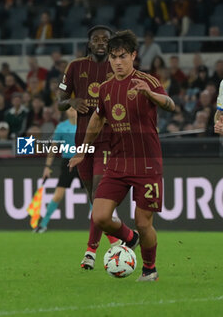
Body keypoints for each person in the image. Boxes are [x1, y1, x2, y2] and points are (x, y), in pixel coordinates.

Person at [69, 30, 175, 281]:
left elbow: (169, 103)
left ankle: (150, 269)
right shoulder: (105, 88)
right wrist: (82, 151)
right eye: (113, 57)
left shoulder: (147, 81)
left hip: (147, 163)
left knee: (144, 221)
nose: (117, 61)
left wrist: (150, 95)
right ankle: (130, 238)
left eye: (122, 56)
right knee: (101, 215)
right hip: (117, 163)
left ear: (133, 56)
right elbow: (96, 120)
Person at [58, 25, 121, 269]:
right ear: (89, 43)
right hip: (82, 143)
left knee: (98, 194)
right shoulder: (75, 67)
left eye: (105, 39)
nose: (101, 42)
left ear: (111, 43)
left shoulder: (117, 67)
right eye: (96, 39)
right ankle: (118, 238)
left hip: (108, 140)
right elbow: (60, 101)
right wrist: (72, 100)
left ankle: (91, 252)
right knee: (94, 198)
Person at [34, 107, 79, 233]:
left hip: (83, 161)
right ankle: (43, 224)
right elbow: (53, 148)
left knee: (93, 195)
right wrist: (47, 167)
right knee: (58, 194)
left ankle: (97, 225)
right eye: (70, 109)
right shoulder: (62, 127)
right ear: (66, 112)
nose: (73, 111)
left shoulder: (86, 125)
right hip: (67, 163)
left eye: (75, 108)